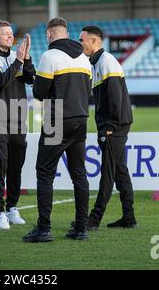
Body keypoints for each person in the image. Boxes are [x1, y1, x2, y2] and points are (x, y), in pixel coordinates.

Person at [23, 17, 92, 242]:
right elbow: (88, 90)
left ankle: (44, 228)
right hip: (81, 118)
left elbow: (39, 93)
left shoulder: (49, 56)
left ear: (49, 35)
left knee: (44, 173)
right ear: (66, 32)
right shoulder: (84, 57)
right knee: (79, 174)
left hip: (57, 119)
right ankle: (81, 228)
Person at [78, 25, 137, 229]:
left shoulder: (106, 61)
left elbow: (115, 96)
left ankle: (93, 219)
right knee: (120, 171)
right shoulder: (97, 63)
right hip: (115, 124)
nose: (80, 43)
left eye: (82, 40)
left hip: (114, 125)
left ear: (94, 41)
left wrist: (110, 125)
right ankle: (129, 218)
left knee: (109, 171)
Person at [0, 20, 35, 230]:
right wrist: (18, 62)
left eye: (12, 33)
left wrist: (26, 59)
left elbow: (31, 79)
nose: (11, 37)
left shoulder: (17, 58)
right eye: (6, 34)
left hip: (18, 119)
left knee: (15, 167)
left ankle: (12, 207)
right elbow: (0, 81)